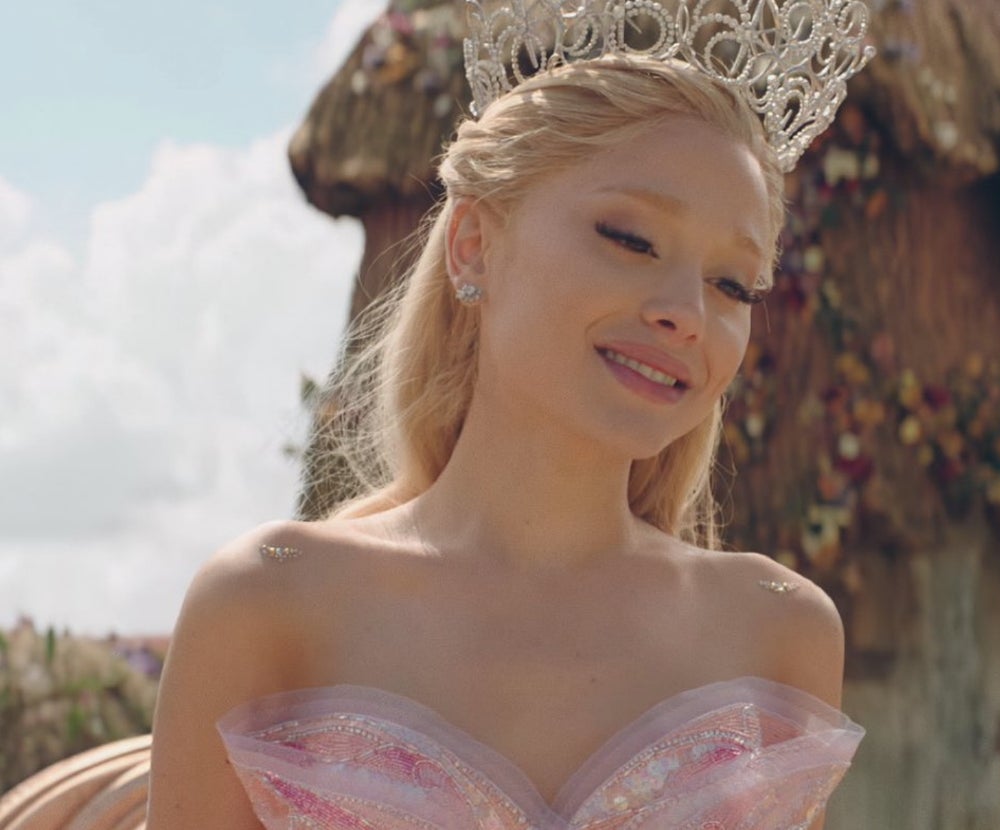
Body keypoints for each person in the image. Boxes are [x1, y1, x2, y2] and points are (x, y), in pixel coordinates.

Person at [147, 1, 871, 827]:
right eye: (630, 238)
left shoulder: (779, 630)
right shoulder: (267, 601)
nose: (686, 313)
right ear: (473, 243)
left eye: (732, 284)